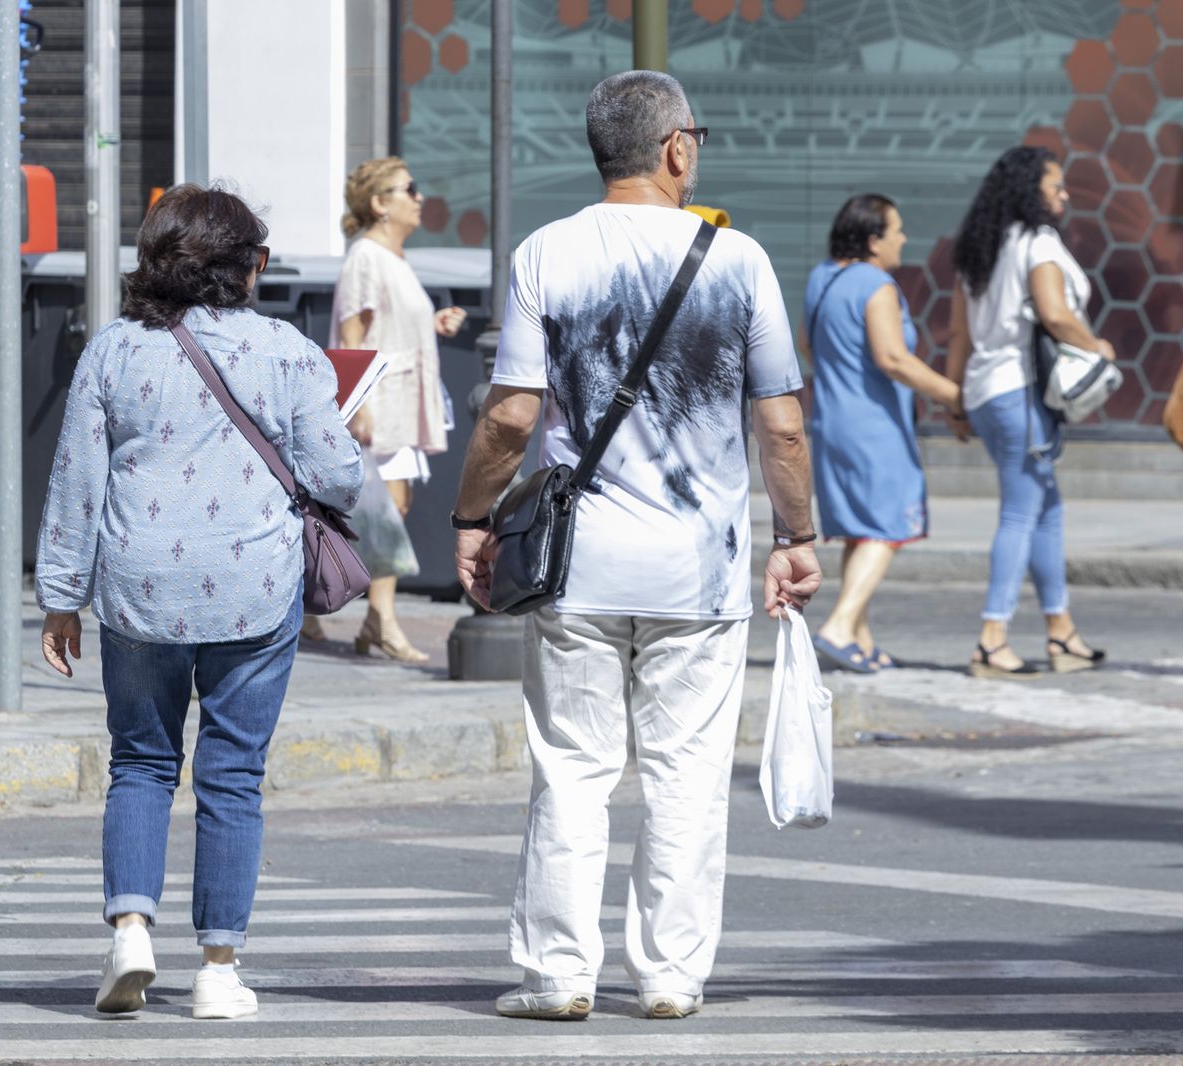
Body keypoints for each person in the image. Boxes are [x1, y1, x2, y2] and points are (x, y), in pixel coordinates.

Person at [450, 70, 821, 1022]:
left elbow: (511, 416)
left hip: (577, 568)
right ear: (676, 149)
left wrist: (472, 520)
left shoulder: (547, 252)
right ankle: (670, 976)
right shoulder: (738, 262)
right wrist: (796, 536)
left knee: (571, 771)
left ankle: (557, 975)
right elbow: (780, 425)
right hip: (698, 572)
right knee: (686, 779)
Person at [34, 185, 362, 1019]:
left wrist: (62, 598)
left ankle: (130, 931)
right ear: (242, 266)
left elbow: (76, 482)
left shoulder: (113, 351)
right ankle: (218, 969)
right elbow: (335, 476)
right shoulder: (288, 352)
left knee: (140, 763)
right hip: (253, 587)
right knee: (232, 773)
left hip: (139, 587)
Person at [943, 145, 1112, 680]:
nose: (1063, 194)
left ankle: (1061, 630)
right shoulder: (1037, 243)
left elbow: (958, 337)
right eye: (1055, 186)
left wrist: (955, 402)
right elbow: (1056, 315)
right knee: (1020, 510)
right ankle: (992, 638)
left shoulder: (981, 249)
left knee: (1046, 506)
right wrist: (1099, 347)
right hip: (1019, 390)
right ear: (1028, 191)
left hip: (986, 392)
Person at [302, 155, 467, 663]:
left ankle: (366, 618)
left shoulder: (393, 258)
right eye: (408, 188)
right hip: (382, 402)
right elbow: (353, 335)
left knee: (390, 508)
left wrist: (433, 323)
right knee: (382, 509)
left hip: (400, 400)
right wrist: (361, 407)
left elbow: (386, 325)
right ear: (379, 203)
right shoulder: (367, 257)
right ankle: (378, 621)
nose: (418, 198)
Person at [805, 193, 964, 673]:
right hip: (874, 428)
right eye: (897, 231)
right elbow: (893, 358)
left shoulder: (820, 278)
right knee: (885, 527)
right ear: (874, 241)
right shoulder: (877, 286)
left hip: (831, 420)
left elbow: (804, 345)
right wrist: (956, 396)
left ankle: (860, 639)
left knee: (860, 529)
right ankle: (838, 625)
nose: (904, 240)